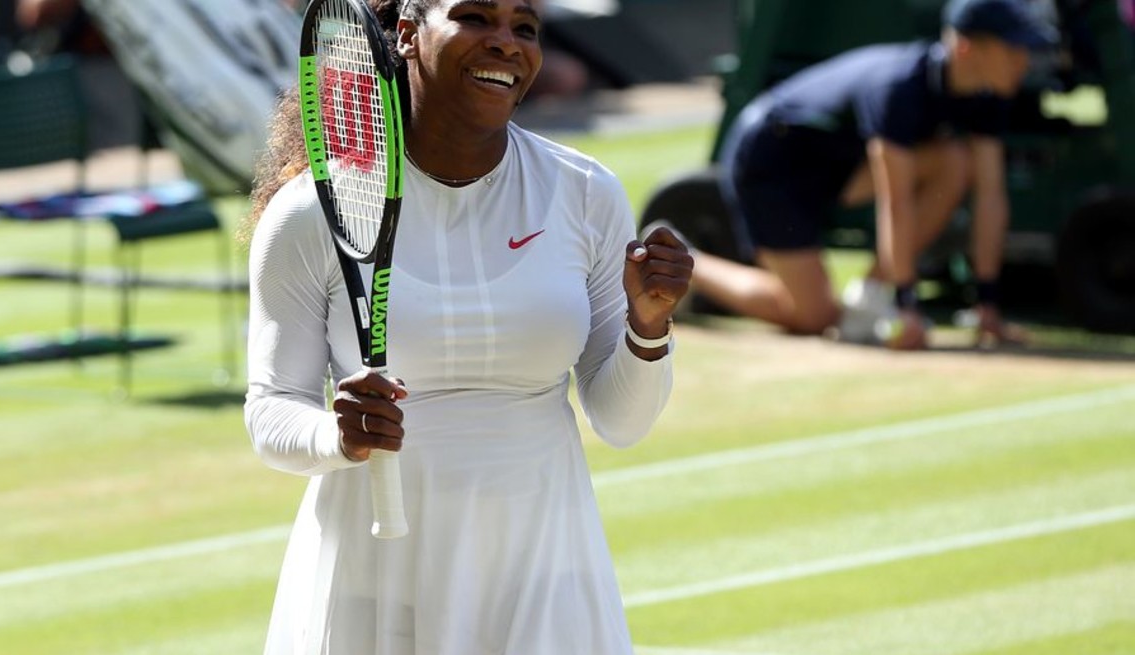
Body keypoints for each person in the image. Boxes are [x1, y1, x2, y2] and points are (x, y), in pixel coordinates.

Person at [241, 0, 693, 652]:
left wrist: (648, 327)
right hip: (374, 577)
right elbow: (272, 408)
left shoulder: (586, 193)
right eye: (476, 16)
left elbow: (623, 422)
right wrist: (336, 435)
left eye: (525, 27)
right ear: (407, 34)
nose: (506, 43)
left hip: (548, 569)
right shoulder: (308, 213)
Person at [680, 0, 1054, 349]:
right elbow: (896, 201)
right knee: (813, 317)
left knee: (955, 162)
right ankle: (679, 261)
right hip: (772, 160)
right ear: (967, 49)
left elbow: (991, 196)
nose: (1023, 61)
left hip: (836, 167)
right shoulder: (899, 88)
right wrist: (907, 305)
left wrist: (987, 304)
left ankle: (869, 296)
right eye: (1012, 49)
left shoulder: (988, 98)